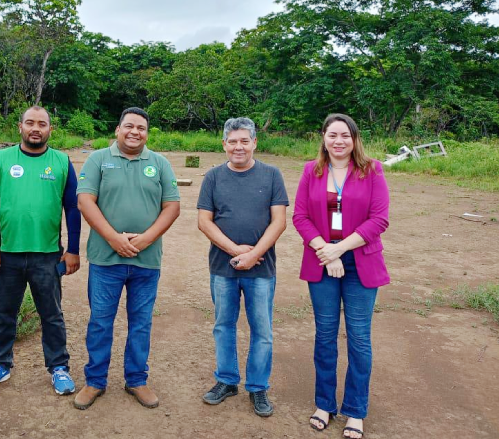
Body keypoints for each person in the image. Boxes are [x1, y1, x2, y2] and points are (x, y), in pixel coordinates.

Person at [73, 107, 180, 410]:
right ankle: (95, 381)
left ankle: (137, 379)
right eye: (129, 126)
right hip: (106, 259)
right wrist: (113, 238)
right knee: (100, 322)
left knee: (141, 323)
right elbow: (85, 200)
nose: (135, 132)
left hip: (146, 262)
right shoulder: (99, 160)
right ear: (117, 130)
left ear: (147, 133)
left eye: (142, 128)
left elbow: (172, 206)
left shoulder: (159, 163)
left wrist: (146, 239)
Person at [293, 114, 389, 439]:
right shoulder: (312, 170)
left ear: (354, 139)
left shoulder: (372, 170)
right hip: (322, 260)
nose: (338, 141)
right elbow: (300, 217)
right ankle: (324, 403)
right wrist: (325, 251)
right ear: (323, 137)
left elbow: (379, 220)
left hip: (360, 260)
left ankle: (355, 410)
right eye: (332, 134)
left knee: (359, 339)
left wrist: (339, 250)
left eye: (344, 135)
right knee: (325, 335)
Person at [0, 106, 81, 395]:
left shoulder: (61, 161)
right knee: (5, 312)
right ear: (20, 126)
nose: (36, 128)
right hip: (7, 253)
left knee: (52, 315)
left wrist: (72, 249)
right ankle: (0, 364)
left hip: (47, 255)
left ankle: (58, 367)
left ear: (50, 130)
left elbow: (72, 207)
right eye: (30, 123)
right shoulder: (1, 158)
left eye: (42, 124)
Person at [197, 117, 288, 417]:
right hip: (222, 268)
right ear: (224, 144)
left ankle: (258, 386)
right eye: (232, 141)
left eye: (244, 141)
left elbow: (279, 221)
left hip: (261, 269)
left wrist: (254, 255)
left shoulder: (272, 175)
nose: (238, 147)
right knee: (224, 326)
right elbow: (204, 221)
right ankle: (226, 380)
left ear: (254, 143)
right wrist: (236, 251)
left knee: (262, 330)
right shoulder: (212, 177)